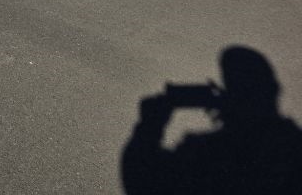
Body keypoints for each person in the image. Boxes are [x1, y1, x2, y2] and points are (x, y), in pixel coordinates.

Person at [122, 46, 302, 194]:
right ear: (274, 91)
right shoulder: (293, 147)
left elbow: (142, 182)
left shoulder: (205, 153)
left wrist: (149, 126)